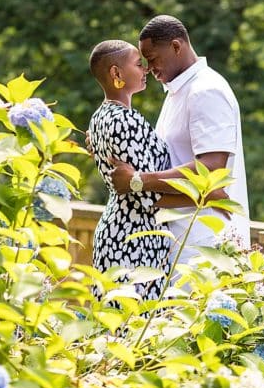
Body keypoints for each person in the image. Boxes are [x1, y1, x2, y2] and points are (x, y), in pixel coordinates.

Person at [109, 16, 251, 264]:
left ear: (176, 46)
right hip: (178, 239)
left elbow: (210, 171)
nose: (149, 68)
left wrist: (138, 181)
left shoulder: (206, 90)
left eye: (152, 59)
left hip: (205, 243)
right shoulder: (178, 92)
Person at [87, 40, 174, 300]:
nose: (145, 69)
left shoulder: (102, 116)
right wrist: (202, 199)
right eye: (139, 64)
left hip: (129, 234)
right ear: (116, 74)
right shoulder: (123, 121)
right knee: (131, 330)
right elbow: (148, 195)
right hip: (132, 240)